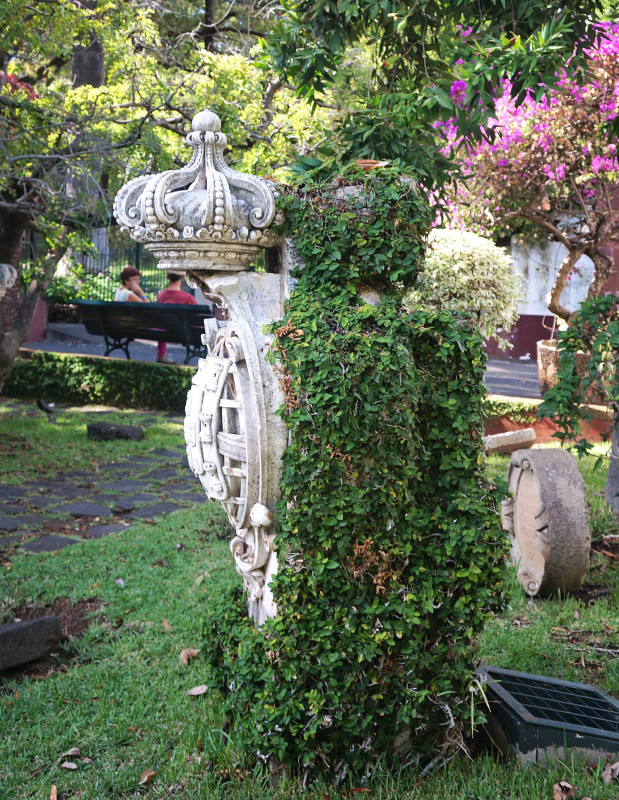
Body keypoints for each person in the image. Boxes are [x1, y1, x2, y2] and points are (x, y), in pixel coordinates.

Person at [155, 271, 197, 364]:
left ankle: (161, 355)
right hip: (184, 334)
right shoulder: (188, 298)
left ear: (167, 276)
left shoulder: (160, 296)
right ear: (182, 278)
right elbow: (196, 319)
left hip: (164, 332)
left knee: (163, 324)